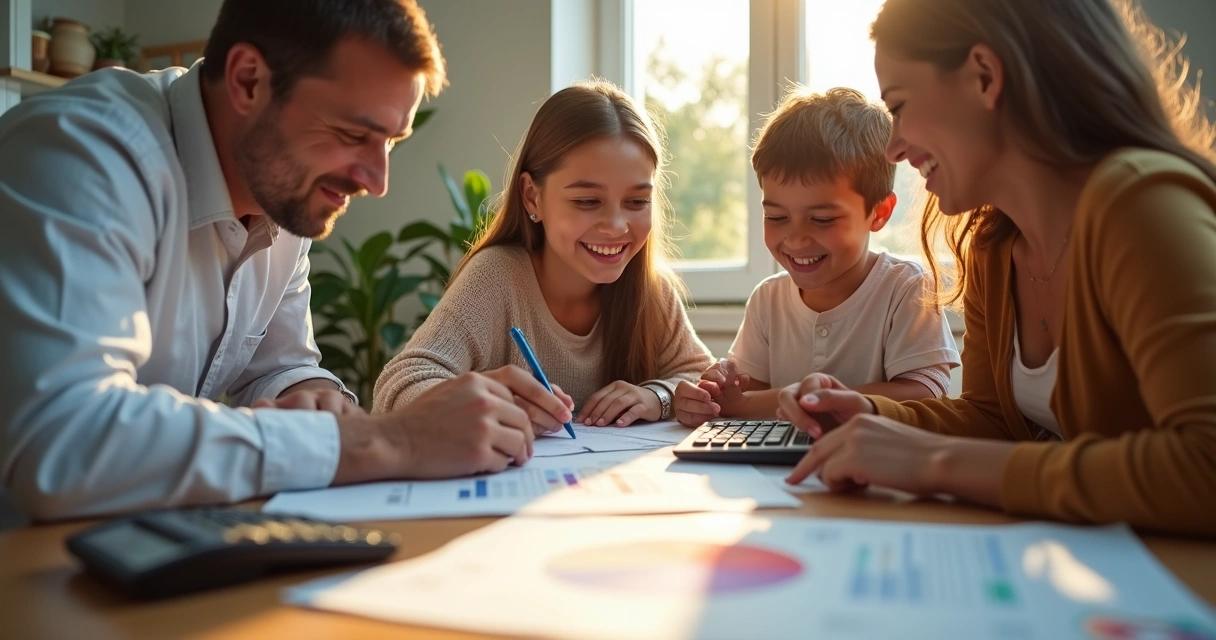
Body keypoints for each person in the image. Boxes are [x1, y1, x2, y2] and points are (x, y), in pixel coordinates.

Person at [0, 0, 564, 522]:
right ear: (249, 80)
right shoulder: (81, 156)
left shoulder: (281, 200)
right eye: (352, 133)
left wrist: (311, 397)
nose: (377, 180)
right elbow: (61, 441)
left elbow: (278, 368)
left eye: (390, 142)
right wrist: (394, 439)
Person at [778, 0, 1216, 535]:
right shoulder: (994, 244)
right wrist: (870, 417)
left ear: (985, 77)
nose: (893, 148)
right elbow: (991, 420)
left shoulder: (1142, 202)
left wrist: (935, 463)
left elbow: (1206, 464)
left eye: (899, 105)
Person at [374, 80, 714, 431]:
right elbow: (397, 388)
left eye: (637, 202)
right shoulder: (498, 277)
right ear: (532, 197)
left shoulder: (649, 288)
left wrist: (658, 396)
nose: (615, 226)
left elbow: (703, 381)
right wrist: (491, 402)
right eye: (586, 201)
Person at [672, 87, 959, 427]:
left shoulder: (908, 289)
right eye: (776, 217)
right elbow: (744, 400)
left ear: (879, 213)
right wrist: (715, 397)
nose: (795, 238)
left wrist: (769, 402)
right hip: (777, 475)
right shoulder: (768, 299)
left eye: (822, 220)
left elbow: (925, 394)